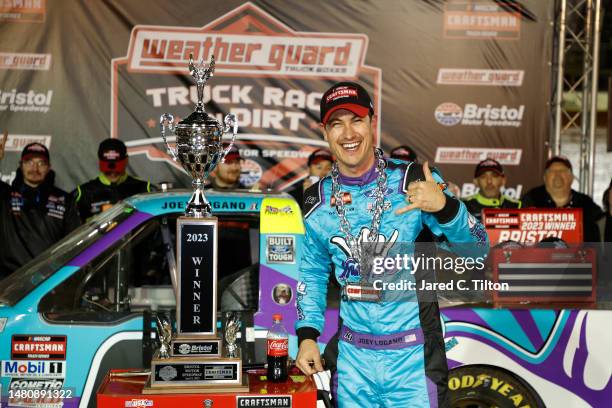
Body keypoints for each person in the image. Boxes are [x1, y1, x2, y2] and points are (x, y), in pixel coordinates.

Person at [295, 81, 489, 407]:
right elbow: (311, 273)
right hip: (353, 361)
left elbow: (478, 249)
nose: (348, 133)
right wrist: (307, 337)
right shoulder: (317, 201)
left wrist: (446, 208)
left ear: (372, 122)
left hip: (413, 360)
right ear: (324, 132)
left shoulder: (415, 180)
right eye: (336, 124)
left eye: (356, 120)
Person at [0, 142, 80, 279]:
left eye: (41, 163)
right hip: (9, 283)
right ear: (20, 165)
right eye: (29, 162)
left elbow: (75, 244)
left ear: (49, 167)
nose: (35, 168)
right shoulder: (4, 195)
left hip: (49, 283)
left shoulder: (65, 199)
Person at [522, 156, 604, 242]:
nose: (557, 174)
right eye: (552, 171)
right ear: (545, 178)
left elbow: (601, 225)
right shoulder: (532, 198)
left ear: (571, 178)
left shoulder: (585, 202)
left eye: (563, 171)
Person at [74, 138, 153, 222]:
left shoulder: (144, 188)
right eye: (108, 170)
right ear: (100, 162)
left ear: (126, 161)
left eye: (117, 168)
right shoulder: (83, 192)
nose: (113, 172)